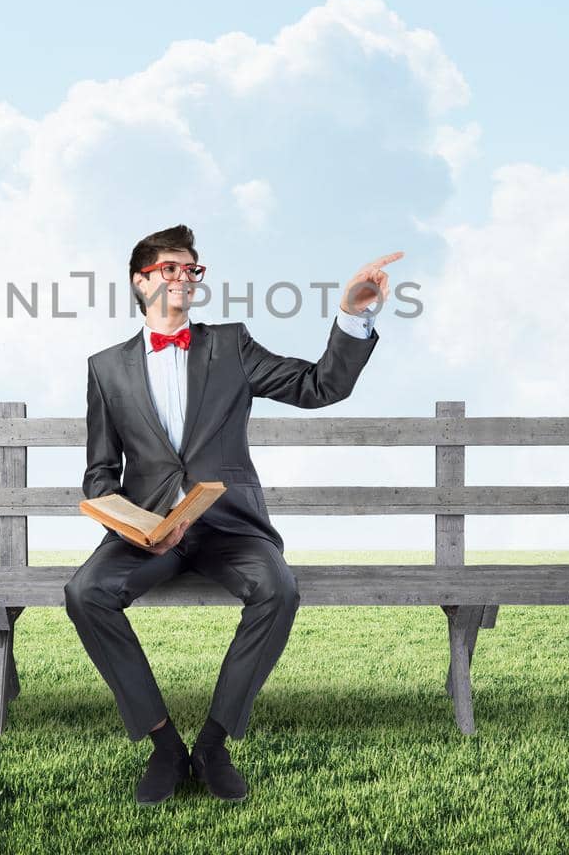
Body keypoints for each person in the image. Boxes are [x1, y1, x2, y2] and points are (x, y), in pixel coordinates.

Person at [63, 223, 400, 804]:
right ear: (141, 281)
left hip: (229, 529)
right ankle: (165, 746)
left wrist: (352, 317)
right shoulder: (105, 367)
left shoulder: (231, 345)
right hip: (147, 535)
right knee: (84, 591)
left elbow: (320, 387)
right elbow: (100, 472)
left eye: (193, 269)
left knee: (277, 589)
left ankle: (214, 744)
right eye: (172, 268)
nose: (185, 277)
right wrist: (131, 525)